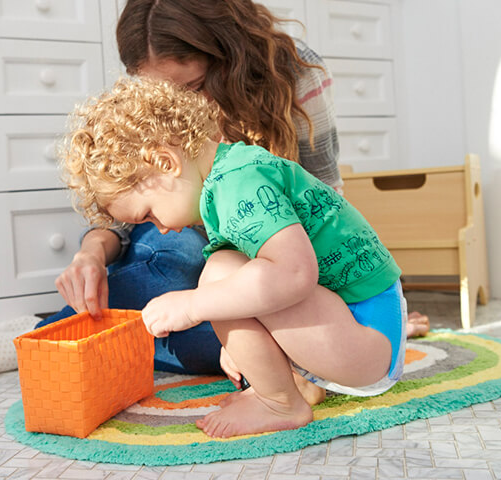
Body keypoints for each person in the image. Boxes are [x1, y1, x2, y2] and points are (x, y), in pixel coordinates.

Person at [46, 0, 428, 376]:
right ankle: (83, 335)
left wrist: (201, 305)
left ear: (225, 53)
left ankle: (71, 336)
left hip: (292, 266)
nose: (176, 110)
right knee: (196, 276)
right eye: (162, 96)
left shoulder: (242, 169)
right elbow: (133, 194)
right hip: (217, 242)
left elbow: (322, 213)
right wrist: (92, 252)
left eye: (192, 87)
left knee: (201, 288)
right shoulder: (187, 182)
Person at [60, 76, 408, 438]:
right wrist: (246, 346)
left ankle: (280, 403)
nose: (158, 228)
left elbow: (293, 274)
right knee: (225, 272)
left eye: (148, 213)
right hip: (354, 333)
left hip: (367, 341)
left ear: (166, 163)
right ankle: (287, 386)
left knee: (220, 275)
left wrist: (194, 304)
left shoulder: (239, 184)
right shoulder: (230, 176)